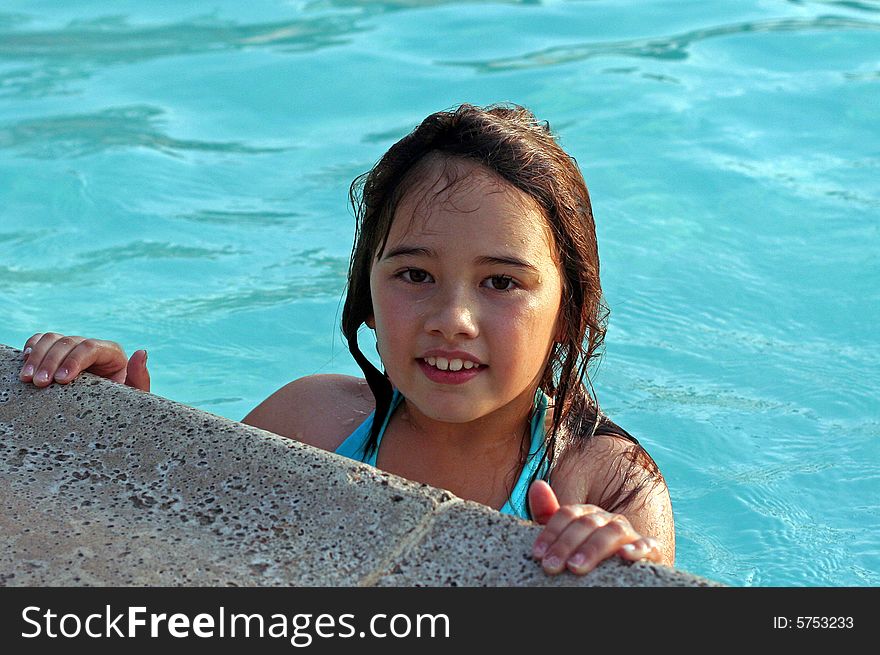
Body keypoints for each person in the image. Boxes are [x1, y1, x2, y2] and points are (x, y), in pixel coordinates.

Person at [18, 103, 674, 577]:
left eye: (501, 282)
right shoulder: (310, 421)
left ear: (568, 311)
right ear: (367, 289)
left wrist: (612, 569)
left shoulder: (607, 488)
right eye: (415, 274)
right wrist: (117, 423)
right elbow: (175, 552)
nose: (453, 317)